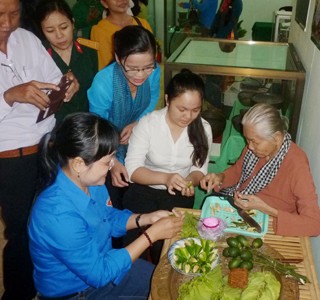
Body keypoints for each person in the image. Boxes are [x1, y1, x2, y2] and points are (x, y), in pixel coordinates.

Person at [0, 0, 79, 297]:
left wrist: (67, 83)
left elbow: (53, 78)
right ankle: (18, 294)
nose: (7, 23)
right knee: (23, 233)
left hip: (48, 147)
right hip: (9, 162)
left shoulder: (26, 38)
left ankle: (49, 286)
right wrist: (9, 96)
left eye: (14, 13)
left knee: (51, 222)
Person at [28, 112, 183, 299]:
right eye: (106, 162)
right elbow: (99, 274)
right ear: (78, 163)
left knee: (169, 283)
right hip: (76, 293)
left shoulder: (91, 183)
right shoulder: (56, 214)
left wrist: (145, 219)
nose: (111, 167)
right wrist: (152, 235)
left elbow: (107, 218)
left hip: (104, 266)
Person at [123, 69, 212, 263]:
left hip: (178, 198)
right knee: (134, 248)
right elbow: (132, 170)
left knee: (167, 254)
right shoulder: (148, 124)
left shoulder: (203, 128)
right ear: (167, 100)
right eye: (182, 109)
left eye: (195, 110)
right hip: (143, 192)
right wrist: (166, 178)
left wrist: (189, 182)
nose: (188, 116)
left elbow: (199, 170)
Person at [200, 103, 320, 236]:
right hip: (242, 208)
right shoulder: (254, 149)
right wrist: (220, 177)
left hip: (271, 223)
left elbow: (314, 225)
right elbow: (238, 171)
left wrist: (265, 208)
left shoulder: (297, 164)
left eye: (255, 142)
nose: (250, 147)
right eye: (247, 140)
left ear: (277, 138)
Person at [88, 25, 160, 209]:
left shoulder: (154, 72)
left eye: (147, 67)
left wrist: (137, 123)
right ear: (119, 60)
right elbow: (97, 129)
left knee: (140, 198)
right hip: (105, 147)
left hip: (138, 140)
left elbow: (151, 101)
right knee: (114, 199)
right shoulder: (103, 83)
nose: (141, 75)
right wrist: (112, 162)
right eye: (133, 68)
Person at [35, 0, 98, 123]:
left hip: (87, 125)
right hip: (54, 130)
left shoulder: (90, 51)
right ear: (41, 31)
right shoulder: (38, 56)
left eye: (64, 27)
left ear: (73, 23)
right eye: (50, 31)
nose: (59, 36)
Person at [91, 0, 152, 70]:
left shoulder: (143, 24)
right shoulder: (100, 30)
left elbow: (152, 57)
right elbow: (105, 67)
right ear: (104, 3)